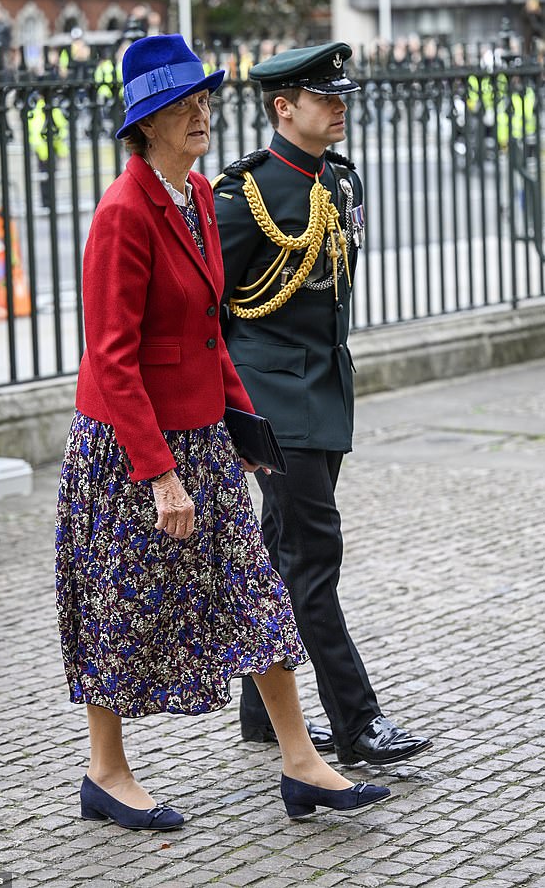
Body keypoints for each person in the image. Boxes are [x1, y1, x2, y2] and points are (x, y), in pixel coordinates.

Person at [54, 33, 390, 832]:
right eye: (184, 104)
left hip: (203, 440)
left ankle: (301, 763)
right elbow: (112, 356)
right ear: (147, 122)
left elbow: (212, 329)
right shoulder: (122, 210)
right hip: (133, 451)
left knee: (258, 596)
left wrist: (247, 428)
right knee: (119, 609)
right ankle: (106, 773)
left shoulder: (200, 194)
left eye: (204, 97)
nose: (203, 111)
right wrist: (159, 472)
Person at [213, 42, 434, 767]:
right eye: (325, 98)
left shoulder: (338, 182)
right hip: (274, 402)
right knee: (313, 558)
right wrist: (227, 410)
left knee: (283, 556)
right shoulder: (244, 196)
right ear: (284, 108)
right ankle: (358, 724)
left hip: (324, 390)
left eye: (341, 98)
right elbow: (208, 308)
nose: (340, 108)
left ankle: (258, 709)